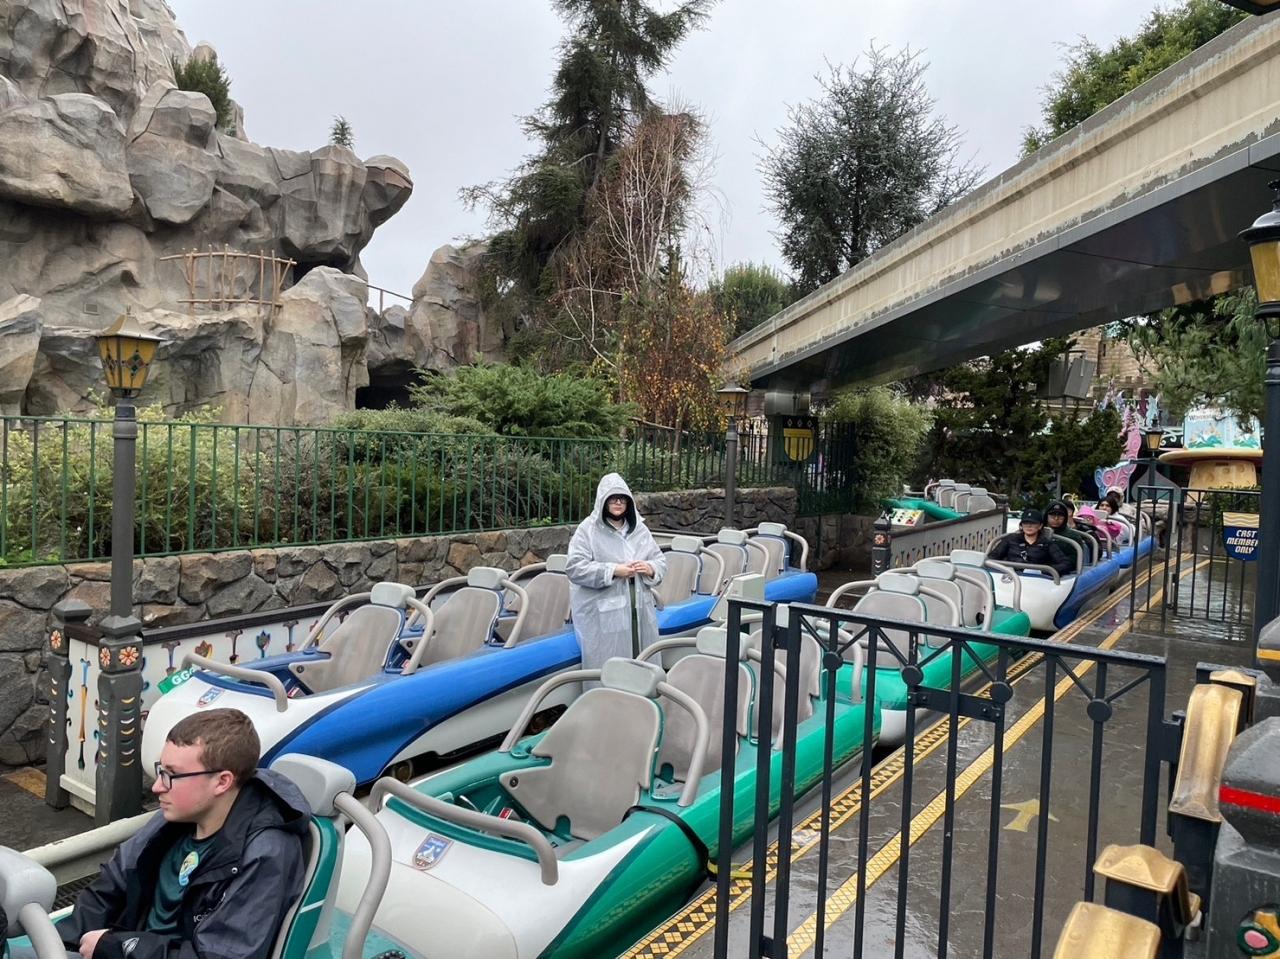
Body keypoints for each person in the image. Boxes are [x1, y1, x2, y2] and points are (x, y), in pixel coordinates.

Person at [56, 709, 311, 959]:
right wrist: (60, 944)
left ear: (222, 782)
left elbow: (222, 955)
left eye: (172, 775)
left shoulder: (265, 854)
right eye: (161, 771)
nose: (157, 787)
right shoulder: (173, 819)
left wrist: (119, 948)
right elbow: (112, 884)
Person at [566, 473, 667, 671]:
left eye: (622, 498)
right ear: (603, 501)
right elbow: (575, 567)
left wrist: (651, 568)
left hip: (639, 610)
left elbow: (660, 560)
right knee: (610, 666)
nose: (618, 503)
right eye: (613, 498)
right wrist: (613, 570)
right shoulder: (588, 530)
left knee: (642, 662)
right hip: (604, 614)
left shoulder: (639, 530)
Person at [988, 508, 1076, 576]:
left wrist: (1043, 571)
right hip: (1011, 577)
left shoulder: (1046, 543)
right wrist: (1006, 568)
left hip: (1036, 581)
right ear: (1021, 525)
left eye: (1033, 523)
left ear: (1040, 526)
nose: (1029, 526)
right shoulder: (1010, 539)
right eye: (1025, 523)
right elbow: (992, 557)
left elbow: (1066, 563)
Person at [1045, 500, 1094, 564]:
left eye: (1060, 515)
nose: (1056, 518)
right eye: (1052, 515)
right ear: (1046, 516)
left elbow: (1073, 561)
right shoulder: (1037, 532)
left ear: (1065, 518)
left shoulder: (1073, 536)